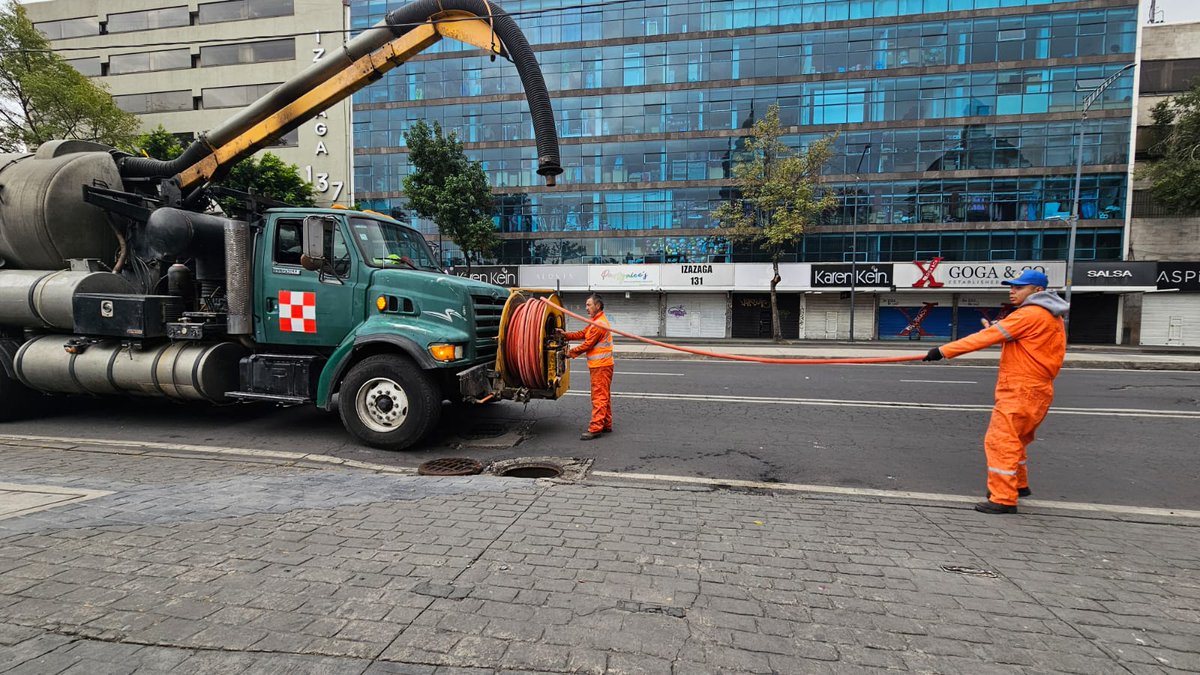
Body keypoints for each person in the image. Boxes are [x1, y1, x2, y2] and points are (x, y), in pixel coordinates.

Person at [923, 269, 1068, 514]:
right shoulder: (1050, 316)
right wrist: (999, 330)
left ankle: (1003, 498)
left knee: (1001, 441)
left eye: (1019, 288)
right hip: (1038, 388)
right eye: (1011, 287)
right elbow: (1017, 337)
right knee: (1018, 440)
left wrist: (942, 351)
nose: (1012, 292)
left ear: (1038, 291)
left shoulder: (1029, 314)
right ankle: (1019, 485)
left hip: (1020, 388)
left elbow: (985, 338)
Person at [557, 293, 613, 440]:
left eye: (589, 305)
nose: (586, 308)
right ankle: (606, 424)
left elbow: (588, 344)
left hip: (600, 366)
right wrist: (565, 335)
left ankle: (595, 428)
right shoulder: (595, 322)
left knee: (599, 397)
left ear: (598, 306)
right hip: (601, 365)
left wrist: (570, 353)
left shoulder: (599, 324)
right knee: (604, 395)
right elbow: (583, 334)